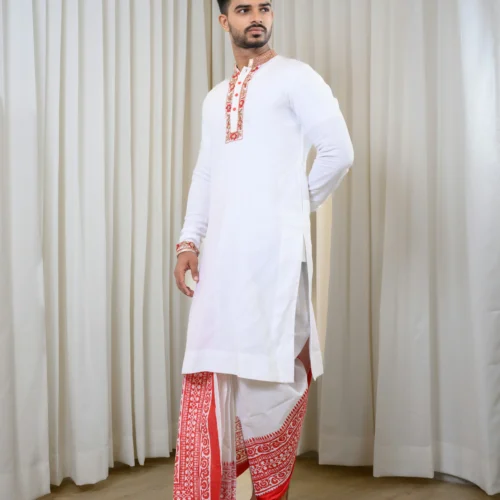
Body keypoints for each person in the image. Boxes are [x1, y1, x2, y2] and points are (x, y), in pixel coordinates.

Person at [172, 0, 354, 498]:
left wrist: (288, 210)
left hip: (275, 258)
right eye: (243, 8)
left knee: (271, 374)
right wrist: (189, 239)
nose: (257, 16)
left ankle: (270, 492)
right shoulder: (215, 98)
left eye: (265, 7)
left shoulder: (296, 76)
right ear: (224, 20)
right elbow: (206, 173)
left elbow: (339, 152)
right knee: (217, 362)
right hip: (222, 259)